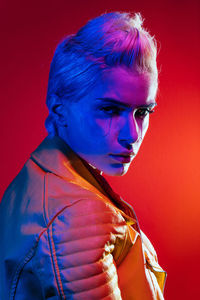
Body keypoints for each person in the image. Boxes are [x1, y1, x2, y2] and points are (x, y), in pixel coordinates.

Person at [0, 12, 167, 299]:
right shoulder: (78, 215)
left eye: (143, 112)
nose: (131, 134)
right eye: (109, 110)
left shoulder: (38, 176)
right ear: (59, 110)